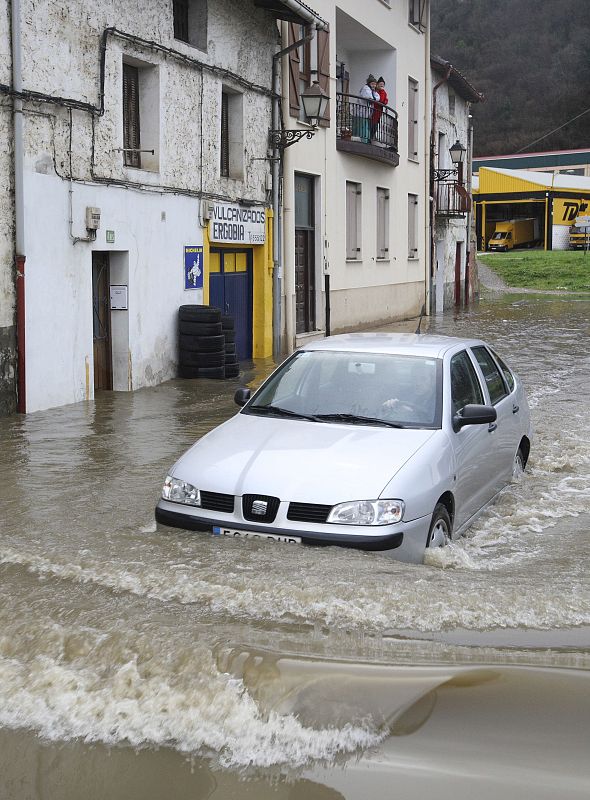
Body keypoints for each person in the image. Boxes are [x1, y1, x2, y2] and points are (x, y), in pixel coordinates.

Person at [354, 74, 379, 143]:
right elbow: (368, 97)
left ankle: (365, 141)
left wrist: (374, 98)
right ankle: (362, 141)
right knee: (362, 129)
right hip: (361, 113)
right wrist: (374, 98)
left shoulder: (372, 91)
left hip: (365, 114)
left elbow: (378, 97)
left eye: (375, 84)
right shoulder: (366, 88)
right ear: (369, 83)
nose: (374, 85)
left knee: (365, 128)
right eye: (372, 84)